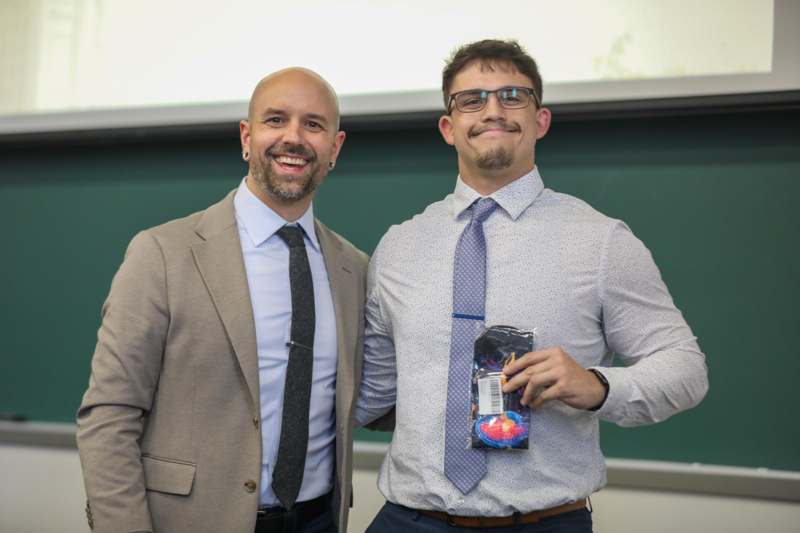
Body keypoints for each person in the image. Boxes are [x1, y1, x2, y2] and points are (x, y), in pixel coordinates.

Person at [356, 39, 709, 532]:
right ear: (448, 127)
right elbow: (371, 392)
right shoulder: (398, 246)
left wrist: (598, 385)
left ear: (540, 120)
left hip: (542, 522)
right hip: (409, 519)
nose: (492, 110)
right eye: (471, 99)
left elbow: (686, 369)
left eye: (512, 96)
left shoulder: (602, 242)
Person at [77, 68, 368, 533]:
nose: (293, 137)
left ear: (334, 148)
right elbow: (110, 413)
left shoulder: (354, 269)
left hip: (318, 520)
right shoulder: (162, 254)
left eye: (313, 124)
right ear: (247, 138)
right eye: (276, 120)